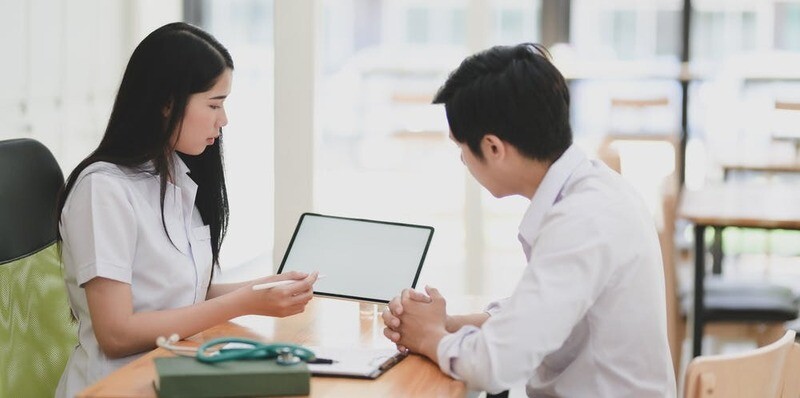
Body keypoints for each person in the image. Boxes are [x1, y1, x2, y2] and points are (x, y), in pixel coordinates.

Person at [382, 43, 676, 397]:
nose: (463, 161)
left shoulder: (582, 219)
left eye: (461, 148)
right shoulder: (591, 190)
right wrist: (448, 325)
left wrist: (431, 337)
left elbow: (494, 368)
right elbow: (540, 312)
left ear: (493, 148)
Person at [54, 22, 319, 398]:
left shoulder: (174, 175)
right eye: (214, 104)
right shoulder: (104, 189)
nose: (223, 120)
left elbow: (180, 291)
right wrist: (244, 303)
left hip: (173, 371)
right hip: (117, 385)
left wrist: (264, 288)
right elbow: (116, 334)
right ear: (166, 103)